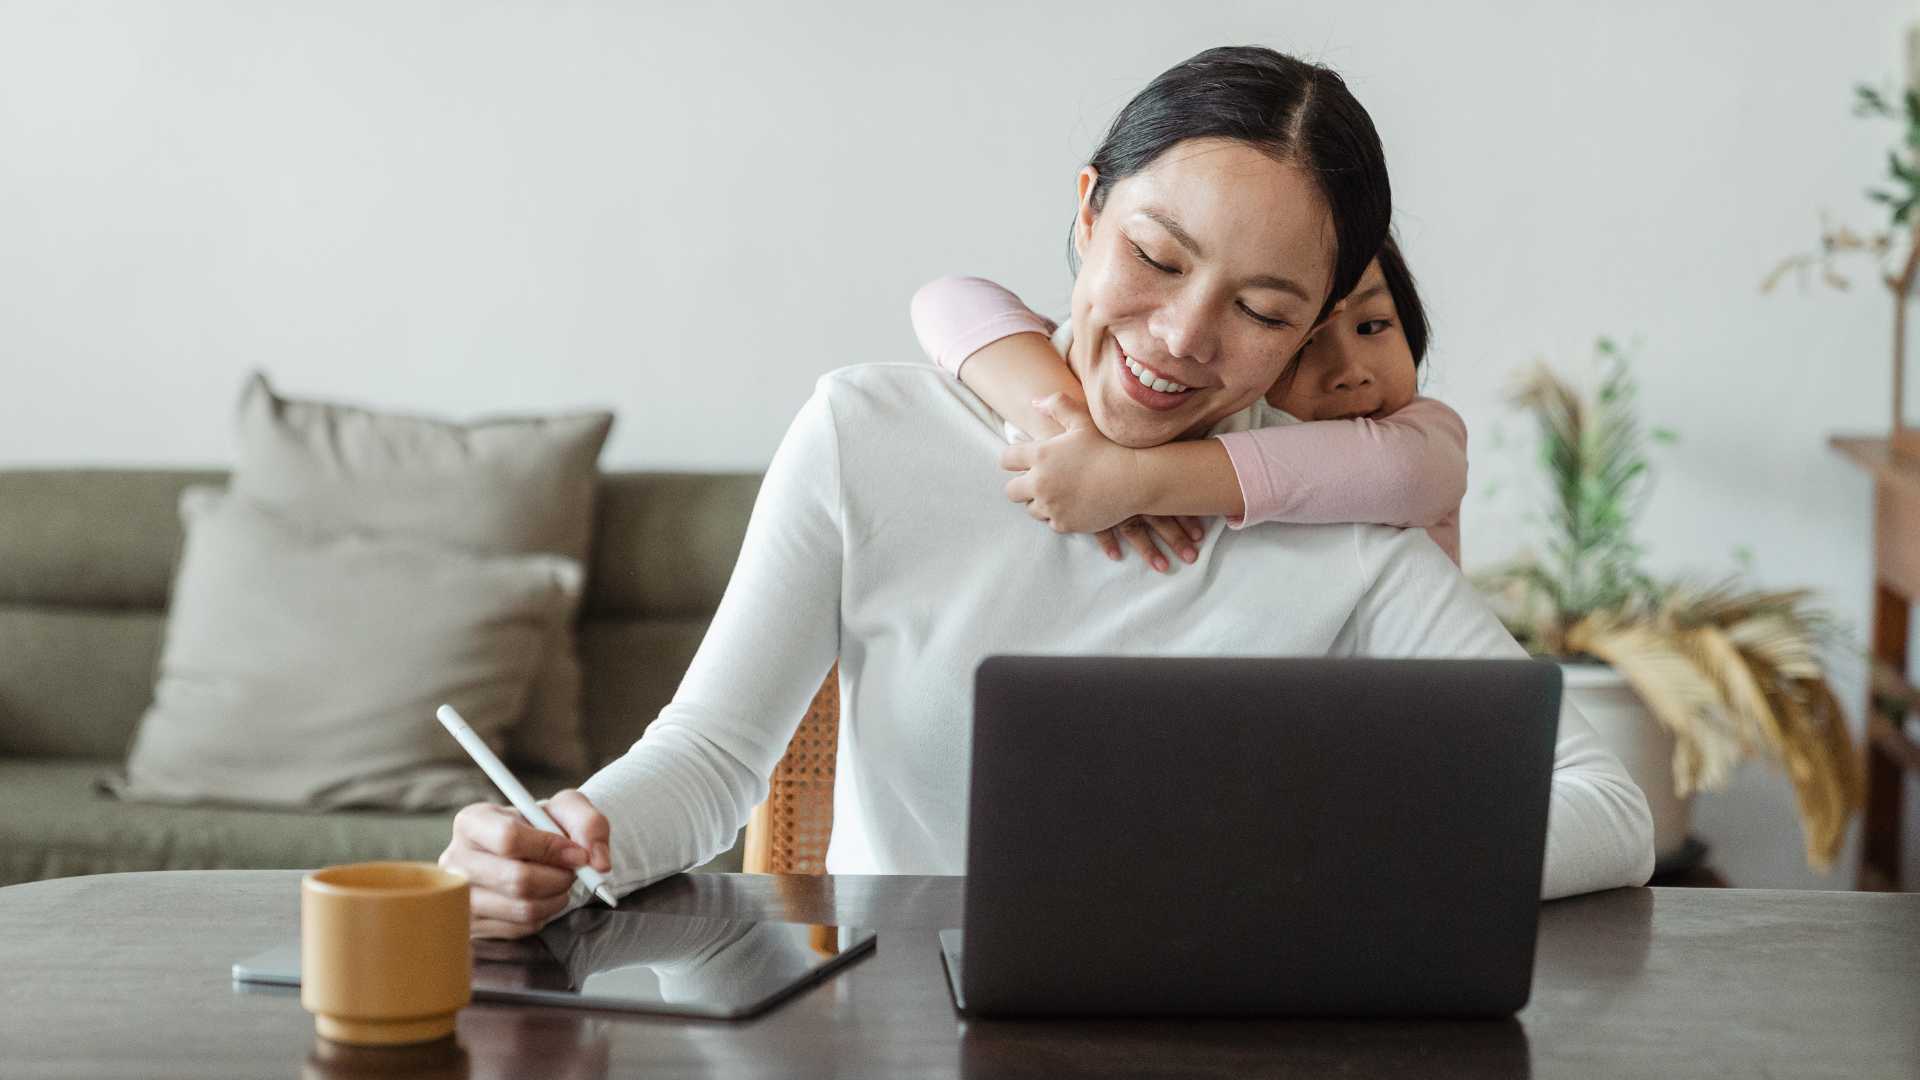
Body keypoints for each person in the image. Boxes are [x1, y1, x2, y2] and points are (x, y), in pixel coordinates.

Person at [440, 45, 1655, 939]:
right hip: (896, 1031)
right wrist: (559, 838)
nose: (1181, 337)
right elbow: (709, 763)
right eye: (1156, 258)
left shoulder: (1340, 524)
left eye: (1262, 310)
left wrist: (1341, 863)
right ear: (1086, 214)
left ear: (1313, 331)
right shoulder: (869, 436)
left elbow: (1608, 808)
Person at [908, 236, 1465, 568]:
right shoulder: (1203, 413)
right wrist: (1072, 434)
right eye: (1302, 345)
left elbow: (1399, 473)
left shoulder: (1423, 436)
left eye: (1374, 325)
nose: (1350, 373)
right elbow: (948, 300)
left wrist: (1132, 478)